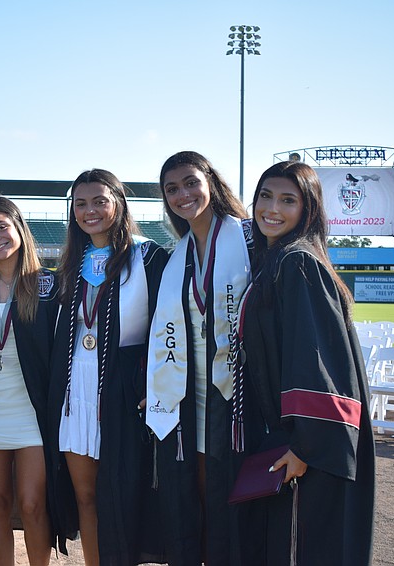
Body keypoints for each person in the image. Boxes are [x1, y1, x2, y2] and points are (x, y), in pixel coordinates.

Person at [236, 161, 375, 565]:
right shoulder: (276, 261)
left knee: (302, 550)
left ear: (308, 209)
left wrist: (305, 448)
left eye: (287, 200)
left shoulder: (298, 264)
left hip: (311, 448)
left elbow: (316, 362)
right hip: (291, 439)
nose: (271, 208)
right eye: (265, 196)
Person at [48, 169, 168, 566]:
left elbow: (167, 325)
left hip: (120, 391)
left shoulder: (147, 256)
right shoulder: (70, 264)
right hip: (74, 391)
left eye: (99, 200)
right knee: (86, 497)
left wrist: (153, 381)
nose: (90, 211)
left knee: (120, 495)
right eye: (80, 204)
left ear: (118, 202)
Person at [145, 151, 251, 565]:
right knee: (199, 498)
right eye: (172, 189)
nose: (182, 194)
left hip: (240, 399)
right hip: (193, 399)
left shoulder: (248, 239)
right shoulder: (177, 255)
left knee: (234, 503)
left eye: (190, 182)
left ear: (210, 181)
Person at [0, 196, 58, 566]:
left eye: (1, 227)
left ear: (19, 227)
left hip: (31, 413)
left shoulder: (49, 285)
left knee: (34, 503)